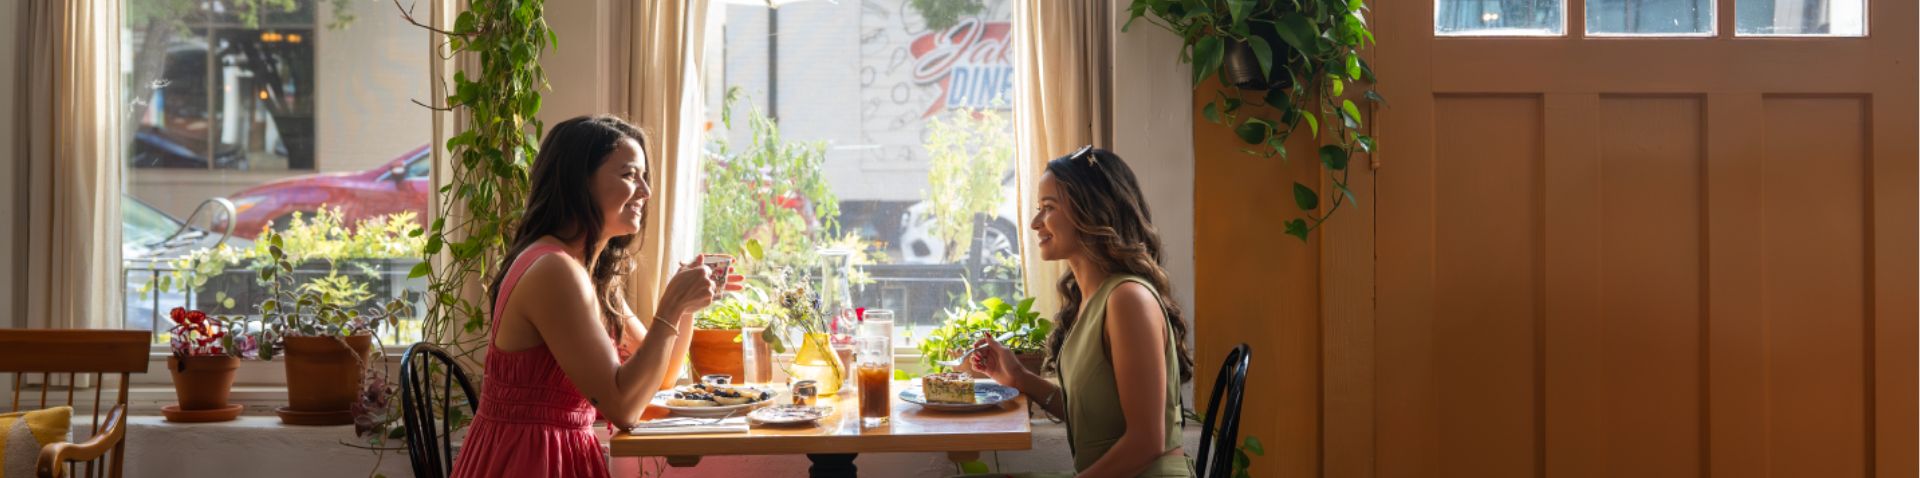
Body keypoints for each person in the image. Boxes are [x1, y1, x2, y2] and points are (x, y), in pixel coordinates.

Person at [451, 115, 742, 478]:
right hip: (528, 461)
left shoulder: (588, 272)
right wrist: (668, 307)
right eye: (628, 175)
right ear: (579, 182)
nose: (645, 192)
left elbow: (660, 378)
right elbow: (623, 407)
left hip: (557, 453)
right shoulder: (554, 271)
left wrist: (684, 307)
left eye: (643, 177)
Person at [970, 146, 1197, 477]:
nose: (1035, 223)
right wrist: (1020, 378)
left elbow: (1147, 442)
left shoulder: (1127, 300)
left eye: (1048, 208)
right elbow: (1096, 417)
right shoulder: (1092, 300)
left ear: (1091, 211)